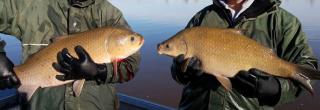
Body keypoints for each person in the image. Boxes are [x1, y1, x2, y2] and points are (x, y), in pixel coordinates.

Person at [171, 0, 319, 109]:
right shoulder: (202, 16)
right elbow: (177, 70)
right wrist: (181, 71)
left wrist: (277, 89)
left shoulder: (283, 22)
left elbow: (308, 66)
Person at [0, 0, 140, 109]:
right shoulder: (30, 5)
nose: (136, 40)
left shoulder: (110, 14)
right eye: (132, 39)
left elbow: (132, 65)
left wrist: (100, 71)